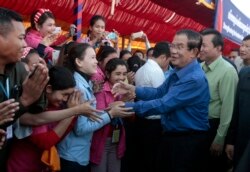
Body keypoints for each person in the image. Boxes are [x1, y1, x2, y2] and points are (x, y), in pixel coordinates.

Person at [112, 29, 210, 172]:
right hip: (172, 137)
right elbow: (159, 92)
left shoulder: (194, 79)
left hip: (187, 142)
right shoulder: (176, 71)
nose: (174, 51)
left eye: (180, 47)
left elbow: (164, 104)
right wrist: (133, 89)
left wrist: (126, 106)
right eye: (173, 45)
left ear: (194, 52)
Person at [57, 43, 133, 172]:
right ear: (79, 62)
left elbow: (90, 114)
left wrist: (113, 109)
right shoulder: (79, 88)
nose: (96, 61)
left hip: (78, 153)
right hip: (73, 155)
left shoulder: (85, 84)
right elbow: (81, 128)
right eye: (92, 58)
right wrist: (110, 114)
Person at [0, 7, 49, 170]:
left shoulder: (18, 69)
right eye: (21, 38)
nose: (24, 44)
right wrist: (24, 100)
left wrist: (38, 83)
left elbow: (37, 108)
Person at [199, 28, 238, 172]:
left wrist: (220, 138)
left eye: (204, 45)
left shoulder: (227, 71)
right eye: (199, 45)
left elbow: (228, 108)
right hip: (198, 126)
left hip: (213, 127)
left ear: (218, 48)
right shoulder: (199, 67)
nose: (200, 49)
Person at [129, 41, 170, 172]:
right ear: (163, 57)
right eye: (168, 59)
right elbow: (161, 97)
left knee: (141, 158)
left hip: (141, 118)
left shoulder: (142, 69)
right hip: (153, 121)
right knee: (150, 159)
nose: (168, 63)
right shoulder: (156, 71)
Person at [90, 58, 129, 172]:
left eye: (124, 74)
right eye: (117, 74)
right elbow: (100, 114)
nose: (121, 77)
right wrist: (123, 103)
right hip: (101, 140)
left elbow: (128, 114)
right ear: (107, 73)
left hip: (117, 140)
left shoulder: (123, 90)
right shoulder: (101, 90)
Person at [225, 35, 250, 171]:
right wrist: (231, 141)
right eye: (242, 45)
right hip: (241, 139)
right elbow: (236, 110)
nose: (243, 49)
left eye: (248, 46)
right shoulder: (244, 74)